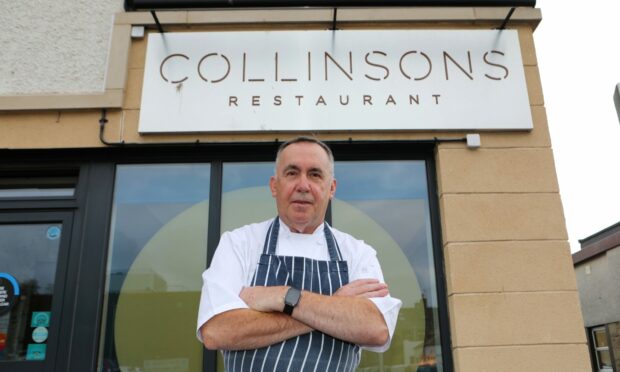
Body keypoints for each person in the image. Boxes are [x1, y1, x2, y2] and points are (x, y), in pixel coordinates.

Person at [196, 136, 402, 371]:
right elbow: (216, 330)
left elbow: (376, 328)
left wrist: (283, 297)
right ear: (275, 185)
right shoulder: (239, 243)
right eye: (292, 173)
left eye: (315, 174)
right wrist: (336, 306)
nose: (303, 185)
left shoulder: (357, 253)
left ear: (331, 188)